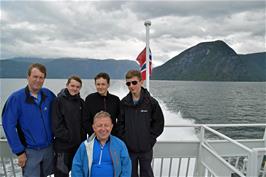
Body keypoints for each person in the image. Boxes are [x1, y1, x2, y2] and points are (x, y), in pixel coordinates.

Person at [2, 63, 55, 177]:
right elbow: (8, 126)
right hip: (30, 152)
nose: (38, 80)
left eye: (41, 77)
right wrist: (19, 152)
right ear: (28, 77)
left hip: (49, 149)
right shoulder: (16, 99)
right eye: (35, 77)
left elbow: (60, 110)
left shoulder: (48, 95)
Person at [117, 70, 164, 177]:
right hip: (130, 150)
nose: (131, 86)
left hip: (146, 149)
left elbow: (159, 124)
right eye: (128, 83)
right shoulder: (124, 103)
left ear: (141, 82)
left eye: (134, 82)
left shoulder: (151, 102)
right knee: (130, 174)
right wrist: (126, 140)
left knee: (146, 174)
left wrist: (149, 139)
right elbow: (120, 124)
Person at [71, 111, 131, 177]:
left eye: (106, 125)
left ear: (111, 127)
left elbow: (126, 168)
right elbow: (76, 167)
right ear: (94, 128)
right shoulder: (85, 146)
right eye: (99, 125)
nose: (103, 129)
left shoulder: (120, 145)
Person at [52, 75, 87, 177]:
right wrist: (70, 137)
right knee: (61, 174)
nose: (74, 89)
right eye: (72, 85)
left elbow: (84, 124)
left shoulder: (81, 102)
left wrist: (82, 140)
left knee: (78, 174)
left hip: (78, 147)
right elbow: (56, 126)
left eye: (77, 87)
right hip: (63, 149)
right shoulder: (58, 101)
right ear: (67, 85)